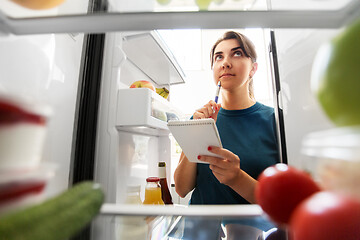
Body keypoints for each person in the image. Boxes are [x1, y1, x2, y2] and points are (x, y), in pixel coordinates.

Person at [173, 31, 280, 239]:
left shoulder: (274, 121)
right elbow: (182, 188)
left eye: (237, 54)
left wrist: (236, 178)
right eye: (218, 57)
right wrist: (197, 132)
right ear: (213, 68)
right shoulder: (200, 119)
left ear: (253, 69)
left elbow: (278, 202)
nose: (226, 63)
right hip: (198, 233)